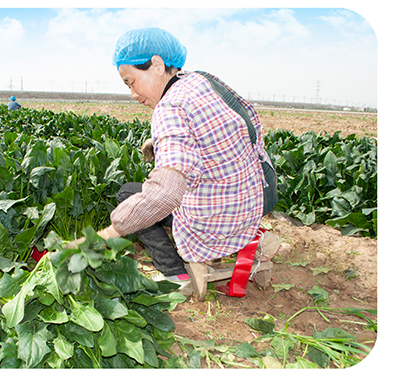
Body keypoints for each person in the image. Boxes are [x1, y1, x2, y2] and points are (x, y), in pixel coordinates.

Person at [66, 27, 274, 291]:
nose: (132, 94)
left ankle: (177, 276)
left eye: (131, 82)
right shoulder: (203, 81)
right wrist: (157, 144)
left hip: (213, 225)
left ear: (156, 64)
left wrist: (103, 236)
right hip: (249, 208)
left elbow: (164, 196)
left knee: (130, 194)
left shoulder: (169, 107)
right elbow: (223, 132)